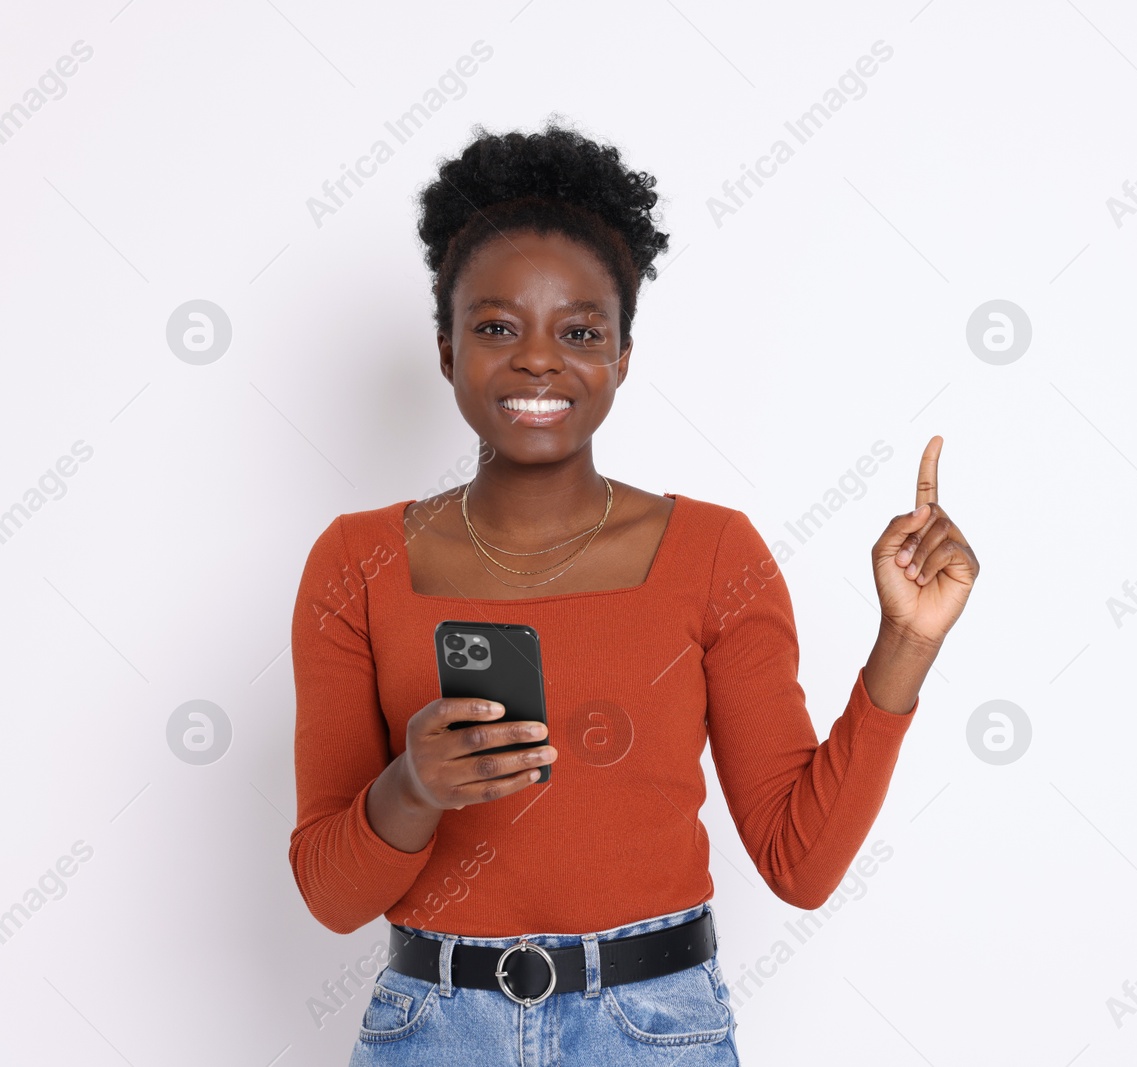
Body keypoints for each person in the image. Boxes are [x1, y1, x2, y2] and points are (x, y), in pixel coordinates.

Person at [287, 119, 979, 1065]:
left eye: (579, 331)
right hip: (432, 1030)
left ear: (622, 354)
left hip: (653, 1030)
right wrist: (412, 788)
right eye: (496, 326)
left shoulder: (713, 553)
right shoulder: (353, 561)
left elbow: (799, 861)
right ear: (446, 350)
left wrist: (908, 642)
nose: (539, 359)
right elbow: (330, 897)